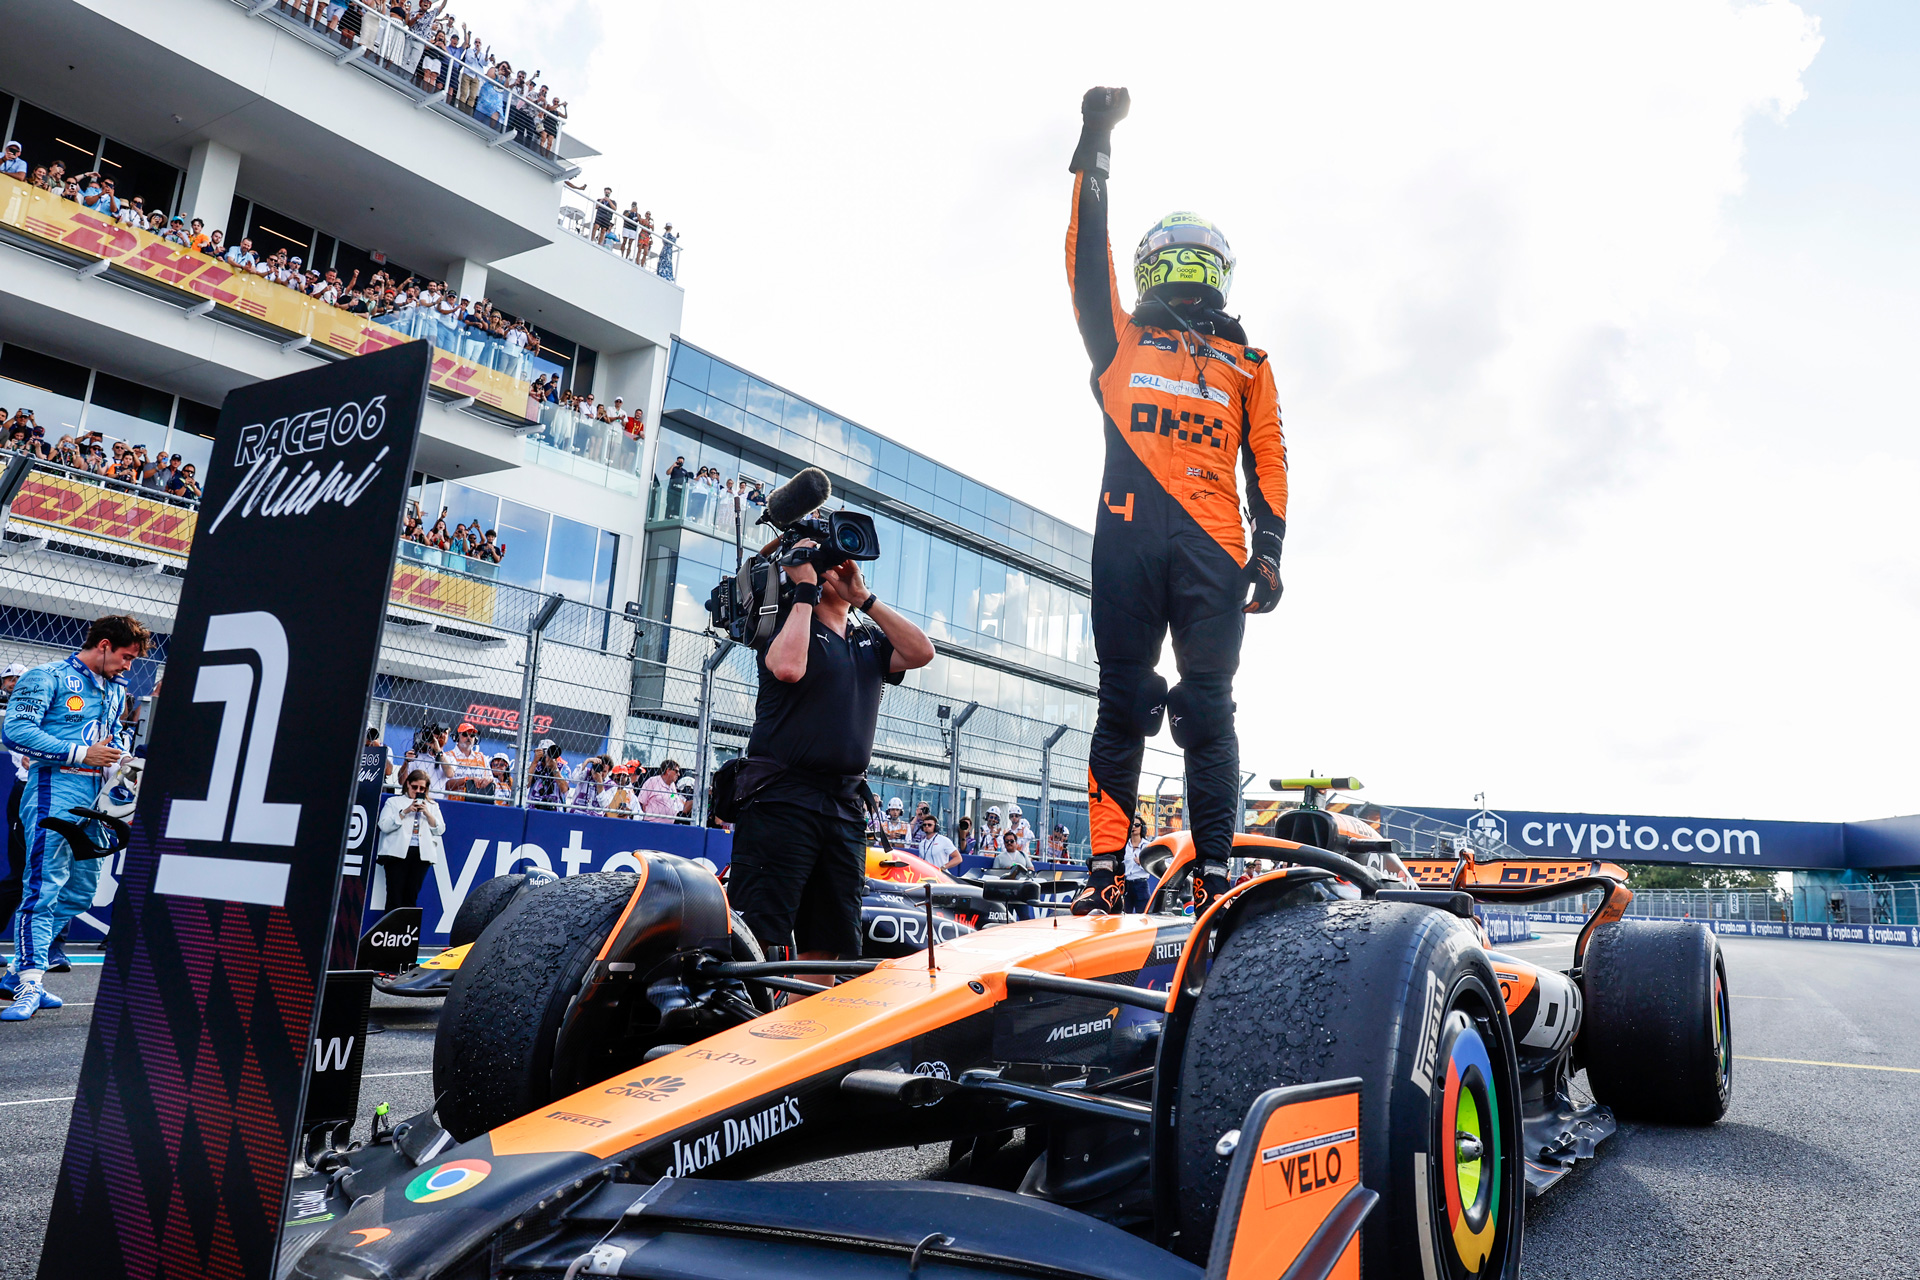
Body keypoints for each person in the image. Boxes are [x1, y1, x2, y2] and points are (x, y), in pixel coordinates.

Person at [1065, 88, 1288, 917]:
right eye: (1178, 257)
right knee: (1122, 702)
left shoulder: (1249, 361)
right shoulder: (1119, 338)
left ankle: (1213, 870)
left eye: (1204, 258)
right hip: (1125, 543)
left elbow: (1269, 455)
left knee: (1206, 707)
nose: (1192, 269)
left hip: (1215, 549)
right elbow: (1085, 257)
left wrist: (1271, 549)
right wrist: (1095, 142)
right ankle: (1104, 872)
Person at [724, 514, 934, 983]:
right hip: (782, 798)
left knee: (830, 944)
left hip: (843, 805)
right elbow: (786, 669)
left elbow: (922, 652)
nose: (842, 569)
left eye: (847, 564)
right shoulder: (787, 625)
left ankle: (800, 1036)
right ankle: (743, 1035)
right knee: (760, 931)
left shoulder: (867, 638)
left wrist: (866, 599)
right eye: (831, 564)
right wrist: (802, 591)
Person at [1, 615, 149, 1019]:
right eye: (126, 657)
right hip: (54, 788)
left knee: (80, 892)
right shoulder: (47, 676)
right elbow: (14, 731)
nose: (128, 667)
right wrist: (81, 753)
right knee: (43, 885)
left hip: (98, 797)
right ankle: (30, 983)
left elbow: (114, 734)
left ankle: (17, 972)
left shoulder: (116, 688)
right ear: (103, 645)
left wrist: (122, 761)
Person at [375, 770, 444, 911]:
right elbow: (383, 825)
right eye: (414, 787)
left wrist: (427, 813)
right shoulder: (394, 802)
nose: (417, 791)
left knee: (411, 897)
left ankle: (407, 931)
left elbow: (440, 829)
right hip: (397, 854)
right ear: (407, 784)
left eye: (422, 788)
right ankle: (391, 931)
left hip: (421, 855)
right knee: (394, 897)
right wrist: (404, 812)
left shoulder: (432, 805)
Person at [1122, 816, 1153, 913]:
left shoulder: (1147, 846)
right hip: (1126, 884)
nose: (1134, 827)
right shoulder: (1124, 846)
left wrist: (1142, 863)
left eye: (1137, 825)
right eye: (1132, 825)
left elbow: (1152, 867)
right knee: (1124, 914)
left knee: (1143, 914)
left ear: (1142, 828)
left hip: (1141, 884)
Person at [637, 758, 683, 822]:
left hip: (668, 826)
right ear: (668, 770)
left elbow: (674, 799)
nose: (679, 774)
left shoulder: (672, 785)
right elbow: (641, 802)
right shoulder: (653, 781)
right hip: (651, 824)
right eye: (676, 771)